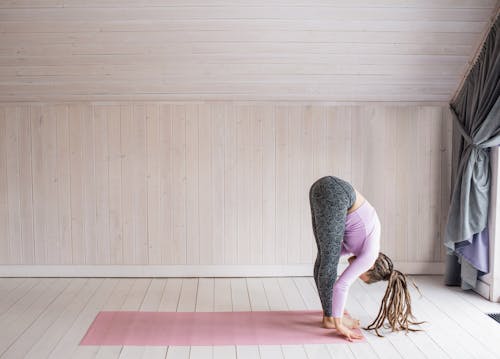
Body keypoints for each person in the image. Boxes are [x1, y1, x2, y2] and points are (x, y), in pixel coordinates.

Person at [309, 175, 423, 341]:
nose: (354, 270)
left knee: (324, 259)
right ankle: (330, 319)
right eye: (360, 273)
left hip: (321, 188)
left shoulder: (359, 245)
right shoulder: (370, 256)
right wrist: (339, 323)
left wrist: (335, 314)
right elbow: (342, 285)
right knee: (327, 262)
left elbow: (328, 257)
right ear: (369, 267)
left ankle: (328, 317)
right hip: (337, 193)